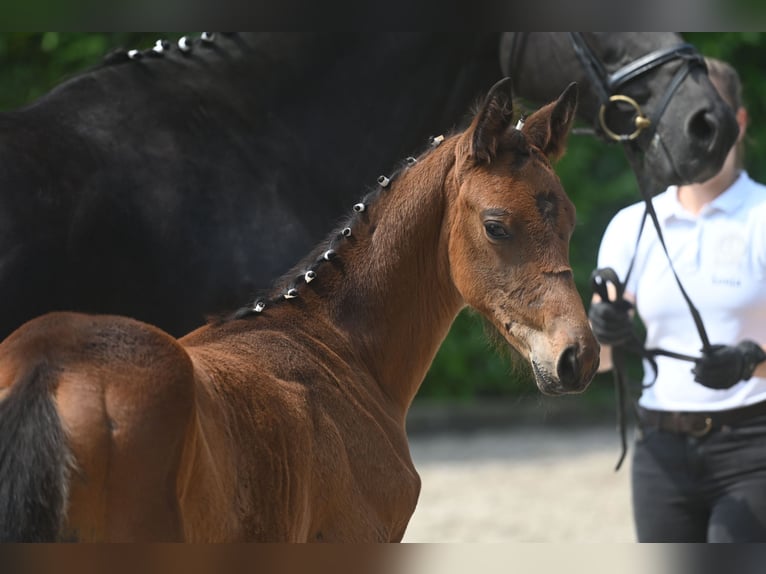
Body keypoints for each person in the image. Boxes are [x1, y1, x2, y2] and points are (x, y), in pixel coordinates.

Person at [589, 57, 766, 542]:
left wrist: (751, 363)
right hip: (660, 451)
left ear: (739, 121)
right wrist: (602, 329)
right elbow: (600, 364)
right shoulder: (631, 226)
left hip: (754, 449)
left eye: (709, 114)